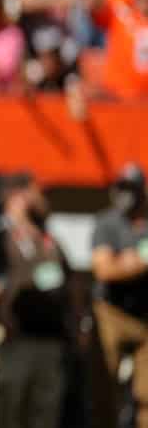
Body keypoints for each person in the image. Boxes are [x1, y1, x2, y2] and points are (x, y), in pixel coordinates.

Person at [0, 175, 72, 428]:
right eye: (38, 193)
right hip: (18, 340)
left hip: (52, 341)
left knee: (47, 412)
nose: (44, 201)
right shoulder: (1, 239)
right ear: (18, 197)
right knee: (12, 411)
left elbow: (67, 284)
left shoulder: (50, 240)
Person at [90, 163, 148, 428]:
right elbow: (104, 269)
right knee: (104, 387)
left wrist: (128, 261)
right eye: (121, 188)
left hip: (144, 317)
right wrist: (138, 263)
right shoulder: (107, 221)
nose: (125, 195)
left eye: (131, 189)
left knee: (146, 394)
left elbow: (120, 264)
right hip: (111, 313)